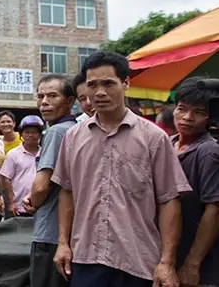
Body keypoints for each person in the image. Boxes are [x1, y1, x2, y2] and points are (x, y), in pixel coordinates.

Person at [52, 51, 191, 287]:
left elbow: (169, 199)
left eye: (108, 83)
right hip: (86, 257)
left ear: (126, 83)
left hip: (138, 260)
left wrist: (166, 262)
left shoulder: (154, 138)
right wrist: (63, 243)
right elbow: (67, 190)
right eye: (92, 85)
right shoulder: (73, 137)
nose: (99, 92)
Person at [23, 74, 77, 287]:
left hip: (50, 233)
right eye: (41, 96)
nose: (44, 102)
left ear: (70, 101)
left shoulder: (56, 133)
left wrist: (33, 201)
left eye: (52, 96)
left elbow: (42, 185)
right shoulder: (78, 129)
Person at [169, 78, 219, 287]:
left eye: (199, 112)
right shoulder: (168, 143)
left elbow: (214, 210)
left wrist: (192, 263)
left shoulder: (208, 151)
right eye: (182, 109)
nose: (187, 117)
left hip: (199, 264)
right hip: (170, 254)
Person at [0, 115, 43, 217]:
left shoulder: (45, 153)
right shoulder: (13, 154)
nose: (30, 135)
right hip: (19, 207)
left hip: (41, 206)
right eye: (27, 132)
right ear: (21, 134)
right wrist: (11, 203)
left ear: (40, 135)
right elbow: (5, 178)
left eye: (34, 132)